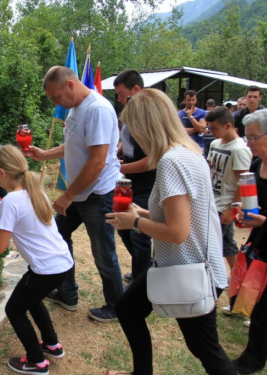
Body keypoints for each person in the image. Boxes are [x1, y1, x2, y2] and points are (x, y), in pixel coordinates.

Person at [105, 89, 236, 375]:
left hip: (192, 269)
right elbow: (184, 216)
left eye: (131, 129)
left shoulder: (171, 162)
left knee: (205, 349)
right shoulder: (187, 151)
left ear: (146, 125)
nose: (132, 137)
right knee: (128, 309)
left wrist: (135, 223)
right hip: (187, 264)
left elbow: (178, 232)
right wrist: (142, 213)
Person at [27, 66, 124, 322]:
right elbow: (73, 145)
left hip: (96, 195)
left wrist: (68, 195)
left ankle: (117, 307)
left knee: (103, 251)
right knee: (58, 237)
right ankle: (67, 293)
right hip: (80, 192)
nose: (56, 104)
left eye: (56, 97)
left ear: (70, 85)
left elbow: (96, 162)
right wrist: (45, 154)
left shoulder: (98, 110)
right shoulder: (74, 109)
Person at [0, 145, 74, 375]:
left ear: (2, 172)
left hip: (46, 269)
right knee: (31, 299)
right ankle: (52, 344)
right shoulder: (36, 190)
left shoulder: (12, 200)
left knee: (14, 310)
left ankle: (36, 362)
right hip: (62, 262)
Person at [233, 108, 267, 375]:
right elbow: (253, 206)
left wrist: (263, 221)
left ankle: (252, 360)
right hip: (261, 243)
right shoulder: (256, 166)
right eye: (247, 137)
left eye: (254, 137)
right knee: (258, 304)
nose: (249, 143)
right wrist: (244, 217)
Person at [113, 70, 154, 284]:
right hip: (129, 180)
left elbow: (152, 160)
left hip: (146, 182)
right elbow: (126, 142)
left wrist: (123, 168)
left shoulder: (149, 117)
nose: (118, 99)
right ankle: (144, 267)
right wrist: (116, 153)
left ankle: (142, 279)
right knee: (123, 226)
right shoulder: (129, 113)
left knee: (139, 233)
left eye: (121, 94)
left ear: (135, 90)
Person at [206, 106, 251, 272]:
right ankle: (238, 274)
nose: (211, 131)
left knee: (215, 244)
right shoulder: (215, 143)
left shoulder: (239, 149)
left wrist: (230, 208)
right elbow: (211, 169)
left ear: (228, 126)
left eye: (215, 128)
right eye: (209, 127)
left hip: (225, 203)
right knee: (226, 243)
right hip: (213, 199)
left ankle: (225, 275)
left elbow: (243, 181)